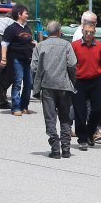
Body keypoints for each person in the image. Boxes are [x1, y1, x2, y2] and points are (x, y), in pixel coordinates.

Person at [31, 20, 77, 158]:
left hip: (47, 86)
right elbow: (72, 64)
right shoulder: (66, 45)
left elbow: (34, 67)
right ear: (59, 32)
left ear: (47, 32)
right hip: (64, 85)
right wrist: (72, 80)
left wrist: (38, 81)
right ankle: (66, 149)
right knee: (65, 118)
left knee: (50, 118)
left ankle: (55, 148)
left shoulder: (40, 46)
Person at [71, 13, 101, 150]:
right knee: (80, 111)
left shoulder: (99, 46)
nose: (88, 35)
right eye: (86, 32)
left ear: (94, 33)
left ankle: (90, 133)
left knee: (98, 109)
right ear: (82, 31)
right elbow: (70, 63)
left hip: (95, 81)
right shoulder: (74, 46)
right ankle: (82, 139)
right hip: (79, 81)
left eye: (91, 32)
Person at [1, 4, 35, 116]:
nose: (27, 15)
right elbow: (4, 44)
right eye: (26, 13)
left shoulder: (27, 28)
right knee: (17, 82)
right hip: (16, 59)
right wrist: (4, 58)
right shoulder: (11, 28)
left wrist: (33, 44)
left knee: (29, 83)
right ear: (19, 14)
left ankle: (24, 106)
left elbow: (29, 41)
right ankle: (16, 107)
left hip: (27, 59)